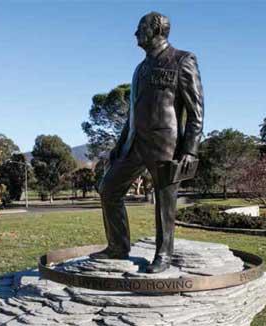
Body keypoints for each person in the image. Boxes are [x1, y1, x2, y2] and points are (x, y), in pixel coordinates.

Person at [89, 12, 204, 273]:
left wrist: (190, 150)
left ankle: (163, 256)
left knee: (165, 201)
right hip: (134, 143)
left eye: (140, 27)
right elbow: (132, 113)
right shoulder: (139, 69)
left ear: (156, 30)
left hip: (166, 144)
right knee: (108, 189)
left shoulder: (183, 60)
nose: (135, 33)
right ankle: (118, 246)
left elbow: (196, 111)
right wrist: (118, 146)